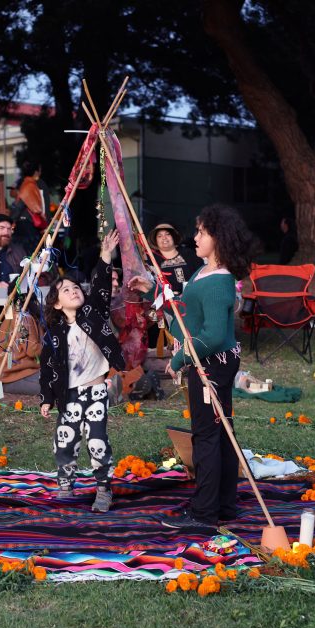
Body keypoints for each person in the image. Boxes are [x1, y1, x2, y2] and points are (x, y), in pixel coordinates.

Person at [129, 204, 257, 529]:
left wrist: (178, 359)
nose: (195, 237)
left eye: (201, 231)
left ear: (218, 237)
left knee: (207, 437)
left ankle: (203, 514)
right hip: (212, 363)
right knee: (221, 433)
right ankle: (224, 505)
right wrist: (154, 290)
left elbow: (212, 335)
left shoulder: (218, 282)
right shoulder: (204, 271)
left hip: (211, 367)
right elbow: (186, 311)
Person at [39, 230, 125, 513]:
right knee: (64, 441)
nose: (74, 290)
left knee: (97, 442)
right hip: (69, 395)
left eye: (76, 287)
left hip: (96, 390)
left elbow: (101, 286)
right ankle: (65, 484)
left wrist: (105, 254)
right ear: (56, 303)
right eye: (66, 290)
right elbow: (47, 367)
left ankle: (103, 488)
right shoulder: (55, 333)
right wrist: (46, 399)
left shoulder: (93, 315)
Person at [147, 223, 202, 295]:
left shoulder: (189, 253)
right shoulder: (151, 258)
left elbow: (201, 273)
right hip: (165, 300)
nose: (164, 238)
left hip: (191, 296)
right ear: (155, 240)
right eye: (159, 236)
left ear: (173, 237)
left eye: (167, 234)